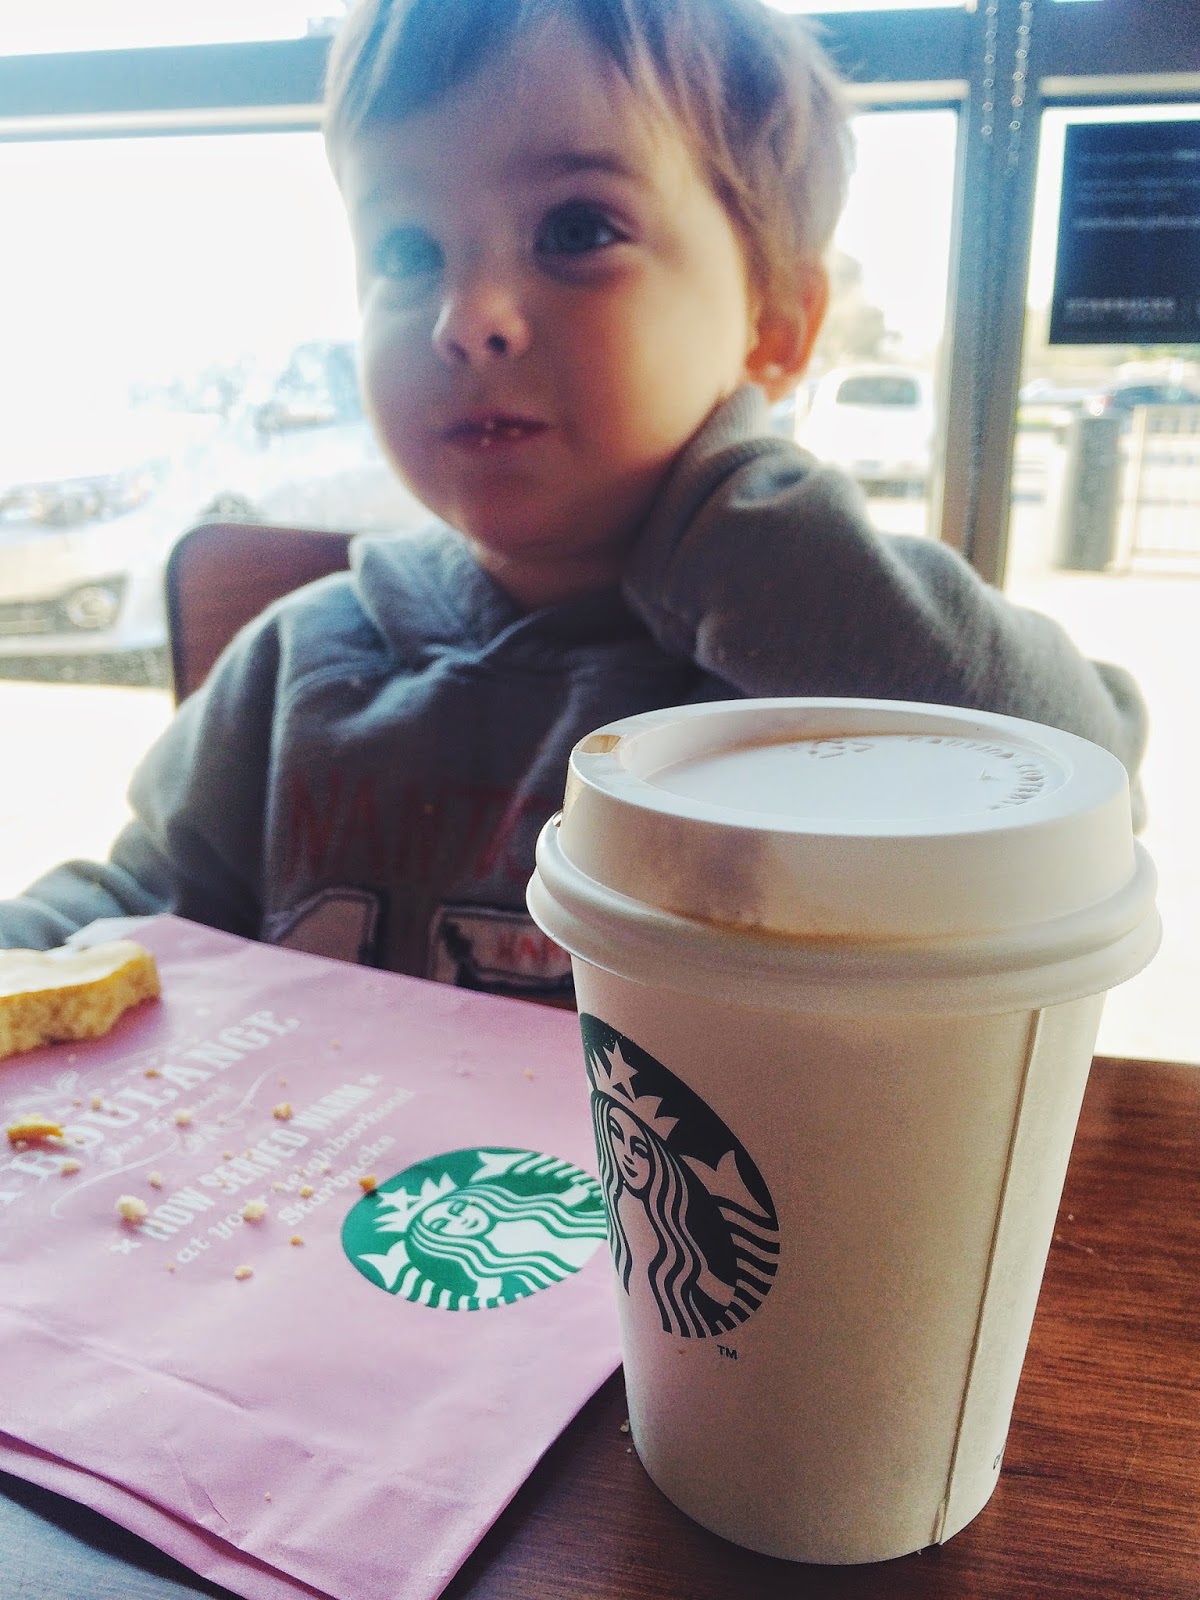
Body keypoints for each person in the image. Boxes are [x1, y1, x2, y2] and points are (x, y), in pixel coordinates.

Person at [0, 0, 1147, 1000]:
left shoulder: (835, 675)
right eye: (406, 251)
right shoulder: (298, 667)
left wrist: (744, 517)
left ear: (776, 323)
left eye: (577, 230)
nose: (467, 317)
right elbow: (129, 915)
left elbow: (1082, 779)